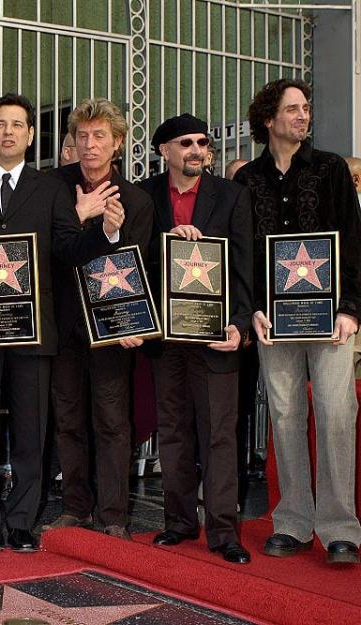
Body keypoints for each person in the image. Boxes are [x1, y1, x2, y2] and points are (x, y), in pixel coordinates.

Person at [0, 93, 124, 553]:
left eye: (17, 125)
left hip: (34, 333)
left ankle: (20, 521)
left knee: (30, 430)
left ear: (31, 134)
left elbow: (66, 249)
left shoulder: (50, 189)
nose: (8, 132)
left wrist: (103, 233)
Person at [235, 78, 361, 565]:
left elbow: (352, 242)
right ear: (269, 119)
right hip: (274, 323)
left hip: (331, 321)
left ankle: (340, 529)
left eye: (306, 108)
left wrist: (351, 309)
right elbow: (243, 255)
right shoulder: (247, 180)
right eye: (292, 110)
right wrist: (253, 312)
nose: (302, 117)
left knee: (336, 415)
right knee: (285, 417)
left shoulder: (331, 169)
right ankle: (291, 521)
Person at [137, 113, 254, 564]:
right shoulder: (144, 195)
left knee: (220, 434)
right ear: (164, 150)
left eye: (202, 142)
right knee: (175, 431)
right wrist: (167, 240)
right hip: (166, 336)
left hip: (215, 335)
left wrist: (241, 325)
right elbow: (132, 257)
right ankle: (179, 522)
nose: (196, 150)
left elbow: (244, 264)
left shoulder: (231, 196)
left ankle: (224, 531)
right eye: (185, 143)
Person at [43, 98, 153, 540]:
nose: (89, 145)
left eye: (100, 136)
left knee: (112, 421)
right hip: (63, 326)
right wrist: (89, 222)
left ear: (119, 143)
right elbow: (51, 253)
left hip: (111, 333)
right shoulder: (53, 188)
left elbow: (139, 266)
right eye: (82, 136)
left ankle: (113, 516)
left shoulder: (138, 201)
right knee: (67, 419)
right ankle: (74, 508)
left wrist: (130, 324)